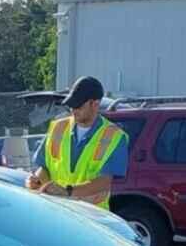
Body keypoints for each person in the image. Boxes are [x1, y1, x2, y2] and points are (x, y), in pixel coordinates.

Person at [27, 76, 127, 208]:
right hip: (58, 211)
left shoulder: (115, 137)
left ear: (95, 104)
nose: (73, 109)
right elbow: (44, 167)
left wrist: (68, 192)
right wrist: (37, 180)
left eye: (78, 105)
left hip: (93, 218)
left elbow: (103, 182)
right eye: (71, 105)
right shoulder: (57, 128)